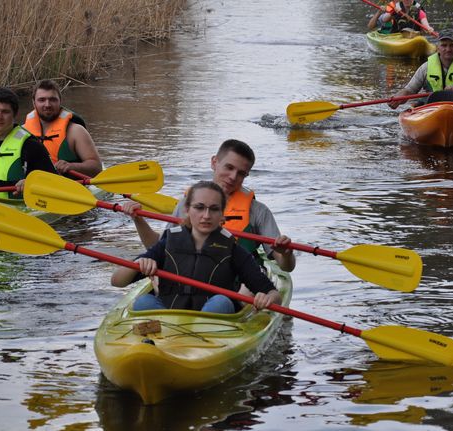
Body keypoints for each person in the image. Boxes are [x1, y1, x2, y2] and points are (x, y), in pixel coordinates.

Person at [122, 139, 296, 273]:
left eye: (241, 173)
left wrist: (287, 254)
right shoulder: (187, 204)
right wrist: (138, 219)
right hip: (193, 277)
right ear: (214, 162)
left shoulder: (258, 211)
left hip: (240, 283)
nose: (233, 177)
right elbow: (157, 248)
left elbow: (285, 267)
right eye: (229, 167)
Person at [112, 180, 282, 313]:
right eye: (199, 208)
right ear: (187, 209)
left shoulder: (234, 251)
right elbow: (117, 281)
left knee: (221, 302)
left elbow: (274, 295)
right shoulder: (167, 244)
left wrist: (266, 299)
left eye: (214, 209)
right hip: (169, 320)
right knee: (143, 302)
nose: (206, 216)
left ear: (222, 214)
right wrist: (138, 265)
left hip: (209, 323)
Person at [23, 79, 102, 177]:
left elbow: (97, 167)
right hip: (33, 187)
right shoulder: (22, 132)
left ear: (60, 101)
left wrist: (71, 166)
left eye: (53, 99)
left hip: (68, 188)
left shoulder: (76, 131)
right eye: (42, 100)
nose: (47, 105)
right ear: (33, 103)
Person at [388, 29, 453, 109]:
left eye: (452, 45)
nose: (448, 49)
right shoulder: (426, 67)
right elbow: (409, 90)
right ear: (437, 48)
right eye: (444, 45)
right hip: (432, 109)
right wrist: (398, 98)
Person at [368, 0, 434, 34]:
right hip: (397, 36)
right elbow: (384, 20)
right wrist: (392, 13)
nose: (407, 1)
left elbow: (425, 24)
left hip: (413, 37)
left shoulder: (419, 11)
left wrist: (429, 28)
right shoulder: (395, 9)